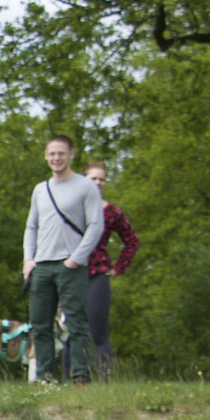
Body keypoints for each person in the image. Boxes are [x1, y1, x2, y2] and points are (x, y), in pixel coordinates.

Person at [22, 135, 105, 384]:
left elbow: (95, 226)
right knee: (41, 325)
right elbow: (31, 227)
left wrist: (75, 259)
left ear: (71, 155)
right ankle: (45, 378)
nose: (56, 158)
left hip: (70, 266)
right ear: (46, 156)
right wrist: (28, 260)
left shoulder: (85, 186)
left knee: (77, 323)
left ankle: (80, 377)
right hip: (41, 266)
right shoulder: (40, 189)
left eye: (61, 153)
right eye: (51, 154)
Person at [62, 160, 139, 381]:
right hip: (72, 275)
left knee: (99, 334)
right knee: (73, 333)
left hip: (98, 275)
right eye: (93, 178)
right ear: (83, 179)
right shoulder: (71, 208)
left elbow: (132, 240)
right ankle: (69, 383)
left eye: (101, 179)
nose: (97, 182)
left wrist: (119, 267)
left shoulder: (112, 212)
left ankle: (105, 383)